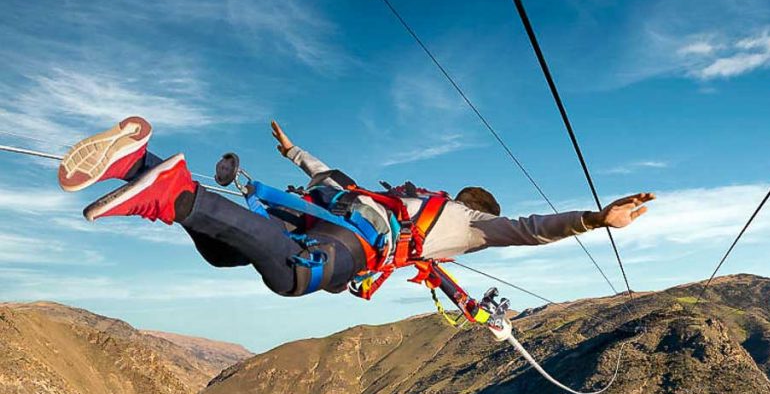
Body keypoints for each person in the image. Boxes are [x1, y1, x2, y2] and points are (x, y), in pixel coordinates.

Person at [58, 117, 655, 298]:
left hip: (319, 210)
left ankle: (136, 163)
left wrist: (292, 148)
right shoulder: (468, 225)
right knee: (296, 277)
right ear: (477, 209)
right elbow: (527, 229)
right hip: (350, 240)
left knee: (226, 254)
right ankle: (172, 194)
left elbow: (324, 173)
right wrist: (596, 219)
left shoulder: (403, 196)